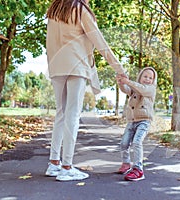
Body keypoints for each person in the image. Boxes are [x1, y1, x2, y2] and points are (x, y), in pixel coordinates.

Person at [45, 0, 127, 181]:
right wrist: (120, 69)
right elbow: (100, 42)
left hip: (56, 66)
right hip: (76, 65)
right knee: (72, 115)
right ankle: (67, 166)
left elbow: (49, 43)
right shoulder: (80, 9)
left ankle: (54, 163)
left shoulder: (54, 10)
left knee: (61, 113)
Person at [116, 67, 157, 181]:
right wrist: (121, 82)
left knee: (137, 142)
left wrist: (128, 81)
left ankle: (138, 169)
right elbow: (126, 89)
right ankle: (126, 163)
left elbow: (142, 89)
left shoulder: (151, 89)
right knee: (124, 143)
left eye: (150, 78)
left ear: (153, 80)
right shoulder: (134, 88)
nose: (147, 79)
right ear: (140, 77)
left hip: (144, 121)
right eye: (145, 76)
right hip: (132, 121)